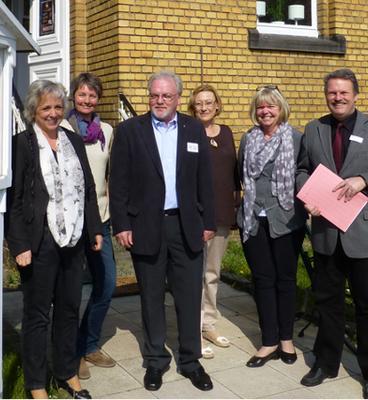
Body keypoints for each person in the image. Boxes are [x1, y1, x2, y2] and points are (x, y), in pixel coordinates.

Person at [295, 69, 368, 399]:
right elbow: (303, 169)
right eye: (332, 93)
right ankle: (325, 362)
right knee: (327, 303)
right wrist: (307, 195)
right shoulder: (314, 129)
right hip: (327, 231)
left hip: (363, 231)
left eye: (343, 93)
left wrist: (364, 180)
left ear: (356, 95)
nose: (337, 98)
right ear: (325, 95)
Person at [109, 70, 216, 392]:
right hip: (145, 226)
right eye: (155, 95)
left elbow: (204, 180)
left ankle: (190, 361)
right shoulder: (129, 130)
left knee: (188, 296)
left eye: (166, 96)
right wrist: (122, 224)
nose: (159, 101)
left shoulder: (194, 128)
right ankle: (155, 361)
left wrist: (208, 221)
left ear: (178, 99)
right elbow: (118, 183)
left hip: (187, 226)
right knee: (152, 298)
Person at [6, 80, 104, 400]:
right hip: (39, 241)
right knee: (37, 315)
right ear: (34, 110)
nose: (53, 113)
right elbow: (15, 201)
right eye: (46, 107)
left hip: (74, 238)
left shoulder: (72, 140)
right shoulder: (20, 144)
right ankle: (36, 385)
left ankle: (67, 373)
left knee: (68, 309)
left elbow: (87, 189)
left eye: (58, 107)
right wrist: (19, 245)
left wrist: (96, 229)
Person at [237, 86, 306, 368]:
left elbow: (305, 174)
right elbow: (240, 174)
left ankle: (287, 340)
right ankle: (269, 341)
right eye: (261, 107)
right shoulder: (248, 139)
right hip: (253, 219)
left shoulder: (297, 138)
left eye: (271, 106)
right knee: (263, 280)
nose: (265, 111)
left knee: (286, 280)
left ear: (281, 109)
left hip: (287, 218)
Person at [60, 73, 118, 379]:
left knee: (106, 283)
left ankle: (88, 342)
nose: (87, 100)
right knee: (70, 291)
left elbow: (111, 174)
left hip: (101, 219)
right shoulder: (61, 128)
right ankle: (71, 352)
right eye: (82, 95)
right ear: (73, 97)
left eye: (92, 96)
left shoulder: (107, 130)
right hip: (70, 222)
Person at [187, 84, 239, 360]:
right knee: (195, 275)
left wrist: (236, 208)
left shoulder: (228, 133)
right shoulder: (187, 132)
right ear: (192, 108)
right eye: (199, 103)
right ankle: (192, 331)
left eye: (209, 102)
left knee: (213, 274)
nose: (204, 107)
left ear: (217, 105)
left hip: (220, 213)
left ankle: (208, 325)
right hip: (195, 215)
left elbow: (234, 174)